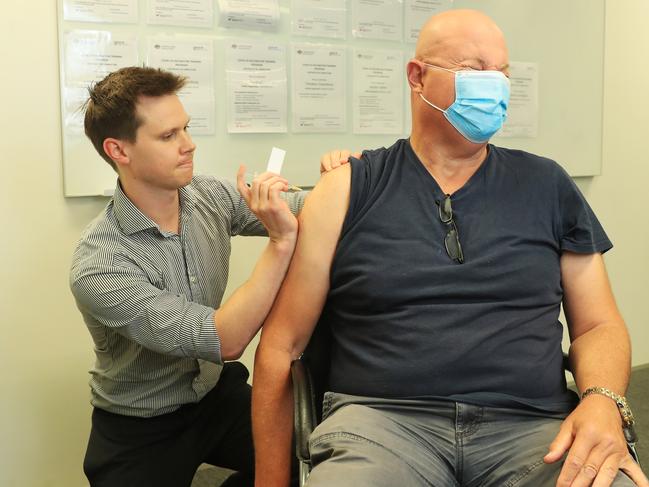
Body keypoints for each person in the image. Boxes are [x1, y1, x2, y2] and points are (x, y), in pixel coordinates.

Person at [251, 9, 649, 487]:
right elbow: (280, 347)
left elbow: (599, 325)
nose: (495, 86)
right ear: (417, 78)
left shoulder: (548, 184)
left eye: (502, 73)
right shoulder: (346, 190)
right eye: (475, 69)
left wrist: (603, 400)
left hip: (532, 429)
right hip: (382, 426)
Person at [69, 66, 348, 487]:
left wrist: (342, 180)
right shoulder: (100, 265)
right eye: (168, 136)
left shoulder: (208, 196)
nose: (189, 144)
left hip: (217, 398)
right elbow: (225, 339)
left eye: (186, 128)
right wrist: (279, 243)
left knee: (313, 465)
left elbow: (310, 208)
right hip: (141, 426)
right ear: (118, 151)